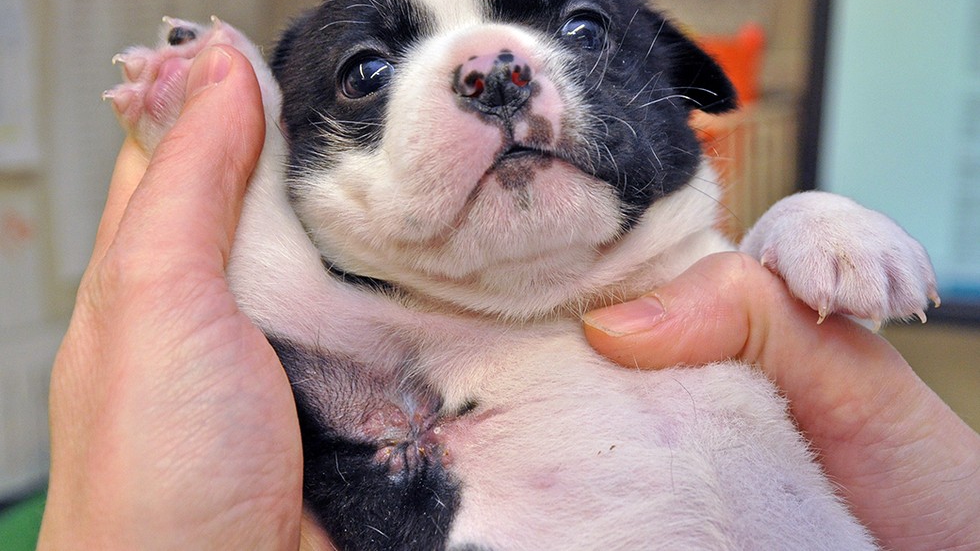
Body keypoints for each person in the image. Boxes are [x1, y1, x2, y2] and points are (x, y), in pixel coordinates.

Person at [38, 46, 980, 549]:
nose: (492, 78)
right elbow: (276, 319)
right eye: (370, 72)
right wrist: (217, 141)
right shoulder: (392, 369)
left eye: (576, 26)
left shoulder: (714, 274)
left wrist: (805, 219)